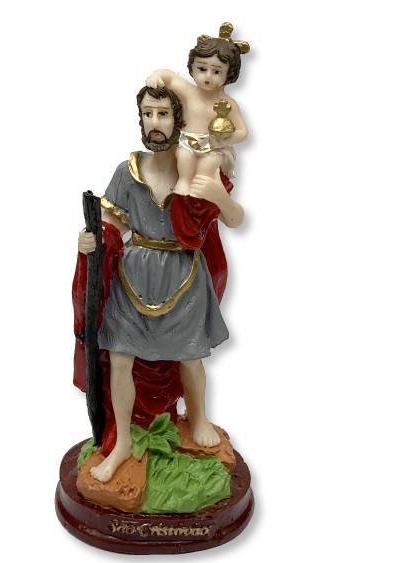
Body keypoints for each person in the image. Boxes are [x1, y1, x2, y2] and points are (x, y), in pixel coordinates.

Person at [76, 86, 244, 483]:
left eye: (163, 114)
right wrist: (91, 240)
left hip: (183, 274)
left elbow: (234, 219)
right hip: (133, 276)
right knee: (120, 358)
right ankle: (121, 442)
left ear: (179, 120)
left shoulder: (199, 171)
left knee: (189, 356)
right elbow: (111, 225)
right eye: (148, 114)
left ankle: (198, 418)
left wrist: (218, 194)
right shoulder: (128, 171)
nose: (155, 123)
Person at [146, 22, 250, 196]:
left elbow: (243, 132)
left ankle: (201, 193)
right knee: (184, 157)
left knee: (208, 164)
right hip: (188, 143)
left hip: (213, 147)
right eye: (202, 68)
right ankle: (184, 182)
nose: (208, 76)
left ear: (229, 74)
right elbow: (169, 77)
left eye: (216, 72)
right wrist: (156, 75)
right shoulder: (188, 92)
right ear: (192, 68)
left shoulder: (228, 103)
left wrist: (221, 142)